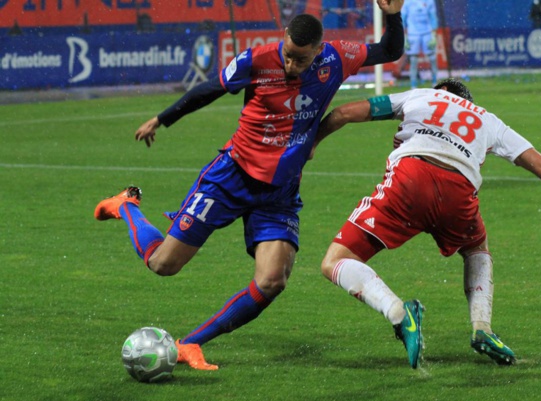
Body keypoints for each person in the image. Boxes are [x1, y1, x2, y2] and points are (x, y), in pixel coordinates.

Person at [94, 3, 405, 371]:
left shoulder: (337, 57)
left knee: (273, 280)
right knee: (163, 264)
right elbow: (209, 90)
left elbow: (389, 50)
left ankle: (190, 344)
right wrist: (162, 118)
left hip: (279, 192)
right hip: (231, 178)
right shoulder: (255, 60)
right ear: (283, 40)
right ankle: (125, 205)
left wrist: (393, 15)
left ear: (319, 51)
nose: (291, 64)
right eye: (287, 55)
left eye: (301, 59)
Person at [312, 78, 541, 368]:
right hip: (458, 192)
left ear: (443, 89)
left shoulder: (422, 95)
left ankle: (398, 312)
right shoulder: (488, 120)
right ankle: (482, 328)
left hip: (411, 179)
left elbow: (343, 113)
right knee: (476, 249)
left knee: (335, 261)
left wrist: (310, 145)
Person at [401, 0, 438, 89]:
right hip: (413, 34)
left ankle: (435, 82)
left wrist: (434, 35)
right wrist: (404, 36)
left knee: (432, 58)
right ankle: (413, 85)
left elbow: (433, 16)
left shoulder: (429, 1)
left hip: (427, 33)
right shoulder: (407, 2)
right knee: (413, 60)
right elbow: (403, 18)